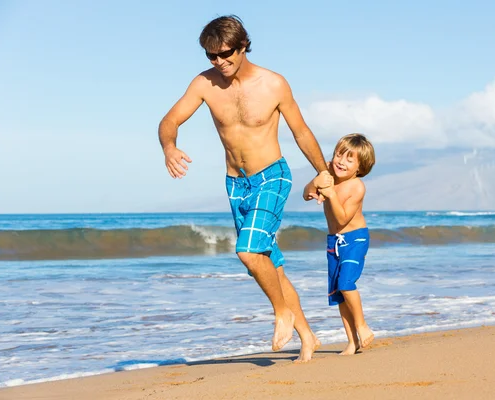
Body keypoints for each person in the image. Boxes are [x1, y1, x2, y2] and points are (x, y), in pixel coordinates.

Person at [158, 15, 328, 362]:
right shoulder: (204, 84)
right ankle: (308, 337)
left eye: (225, 54)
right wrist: (169, 146)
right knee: (268, 265)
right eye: (211, 56)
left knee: (248, 251)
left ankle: (283, 312)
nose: (219, 62)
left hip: (272, 176)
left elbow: (301, 132)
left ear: (243, 45)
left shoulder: (274, 84)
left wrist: (323, 172)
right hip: (236, 184)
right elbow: (169, 120)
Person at [303, 133, 376, 355]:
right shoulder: (328, 173)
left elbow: (343, 218)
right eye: (338, 155)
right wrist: (315, 183)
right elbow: (306, 195)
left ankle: (362, 326)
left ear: (360, 167)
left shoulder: (357, 187)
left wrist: (331, 193)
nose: (341, 162)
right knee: (338, 293)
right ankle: (352, 341)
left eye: (349, 159)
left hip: (355, 239)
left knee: (346, 284)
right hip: (334, 241)